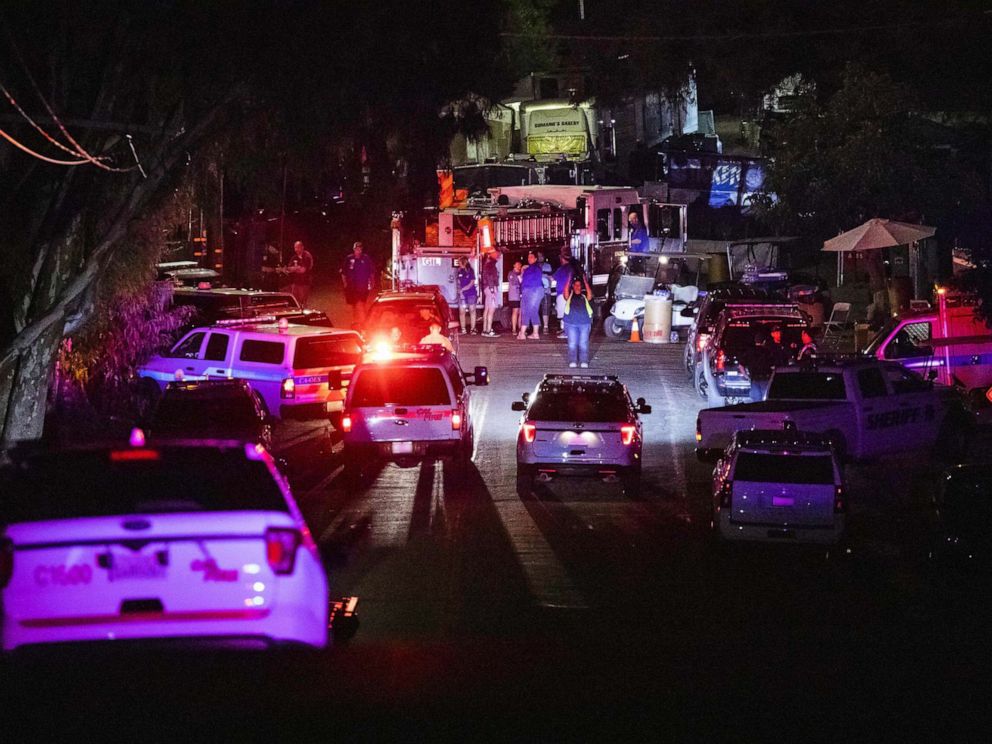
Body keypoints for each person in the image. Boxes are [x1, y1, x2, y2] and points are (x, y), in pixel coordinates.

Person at [562, 274, 594, 368]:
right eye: (575, 285)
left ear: (581, 287)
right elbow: (565, 292)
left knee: (583, 343)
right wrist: (568, 279)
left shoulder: (584, 297)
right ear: (573, 286)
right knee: (572, 343)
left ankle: (584, 361)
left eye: (579, 285)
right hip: (571, 323)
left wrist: (585, 281)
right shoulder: (570, 297)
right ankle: (573, 361)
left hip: (584, 323)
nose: (577, 287)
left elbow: (590, 294)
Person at [341, 241, 375, 327]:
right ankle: (356, 321)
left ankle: (363, 322)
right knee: (354, 305)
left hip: (363, 286)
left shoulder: (366, 258)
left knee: (361, 304)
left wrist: (372, 281)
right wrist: (345, 283)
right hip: (352, 286)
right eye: (356, 249)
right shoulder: (349, 259)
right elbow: (343, 272)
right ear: (354, 250)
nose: (358, 251)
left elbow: (371, 271)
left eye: (359, 249)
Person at [518, 250, 544, 340]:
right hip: (529, 291)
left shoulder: (536, 268)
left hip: (533, 290)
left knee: (529, 310)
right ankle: (535, 333)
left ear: (536, 258)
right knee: (530, 310)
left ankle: (522, 333)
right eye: (528, 257)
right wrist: (522, 270)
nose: (529, 259)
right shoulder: (528, 269)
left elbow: (534, 280)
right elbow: (522, 280)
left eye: (532, 257)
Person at [553, 253, 576, 339]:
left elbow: (553, 278)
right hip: (568, 293)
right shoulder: (570, 268)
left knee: (562, 313)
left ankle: (566, 332)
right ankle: (567, 331)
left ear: (563, 259)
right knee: (567, 312)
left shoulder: (561, 269)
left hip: (562, 293)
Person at [285, 240, 314, 306]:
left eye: (298, 247)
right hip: (296, 283)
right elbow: (288, 269)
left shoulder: (307, 257)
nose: (296, 249)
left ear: (302, 247)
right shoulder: (294, 257)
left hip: (304, 283)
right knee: (295, 302)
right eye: (295, 247)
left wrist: (294, 269)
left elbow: (303, 270)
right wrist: (297, 268)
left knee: (303, 303)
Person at [480, 248, 501, 337]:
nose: (498, 255)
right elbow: (490, 277)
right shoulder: (491, 265)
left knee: (487, 309)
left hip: (486, 288)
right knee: (491, 310)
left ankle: (485, 330)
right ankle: (488, 331)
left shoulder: (486, 264)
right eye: (497, 253)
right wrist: (493, 289)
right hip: (490, 288)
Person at [456, 256, 478, 334]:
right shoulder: (459, 271)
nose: (458, 264)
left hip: (471, 294)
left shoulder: (470, 271)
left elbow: (471, 283)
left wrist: (463, 289)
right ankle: (463, 329)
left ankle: (473, 329)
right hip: (462, 294)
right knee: (462, 311)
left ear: (463, 262)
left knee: (472, 310)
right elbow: (458, 283)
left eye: (459, 262)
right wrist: (459, 291)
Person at [507, 259, 523, 335]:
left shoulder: (522, 273)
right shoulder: (511, 273)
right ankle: (514, 329)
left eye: (520, 264)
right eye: (517, 264)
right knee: (515, 311)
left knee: (521, 312)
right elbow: (514, 282)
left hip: (521, 296)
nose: (519, 266)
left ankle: (520, 328)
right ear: (514, 265)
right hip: (514, 296)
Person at [539, 252, 553, 333]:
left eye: (541, 256)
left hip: (546, 291)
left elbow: (550, 277)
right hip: (536, 291)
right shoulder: (534, 266)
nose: (540, 257)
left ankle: (545, 326)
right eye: (538, 256)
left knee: (546, 307)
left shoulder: (548, 266)